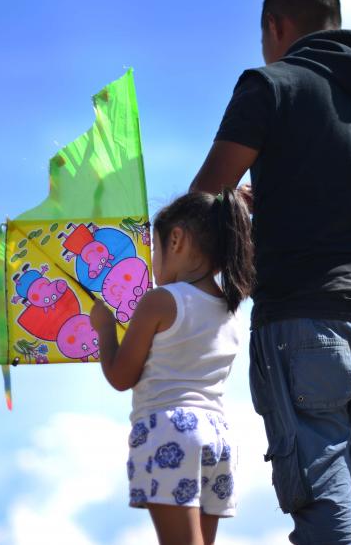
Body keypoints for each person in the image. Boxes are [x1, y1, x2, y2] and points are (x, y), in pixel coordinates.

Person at [189, 0, 351, 544]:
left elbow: (204, 204)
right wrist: (269, 206)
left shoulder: (272, 84)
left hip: (305, 323)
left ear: (275, 25)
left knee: (326, 516)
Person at [91, 189, 254, 545]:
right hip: (218, 437)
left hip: (169, 430)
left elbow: (121, 377)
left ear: (176, 240)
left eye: (154, 253)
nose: (153, 266)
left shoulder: (160, 301)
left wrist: (105, 328)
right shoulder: (231, 310)